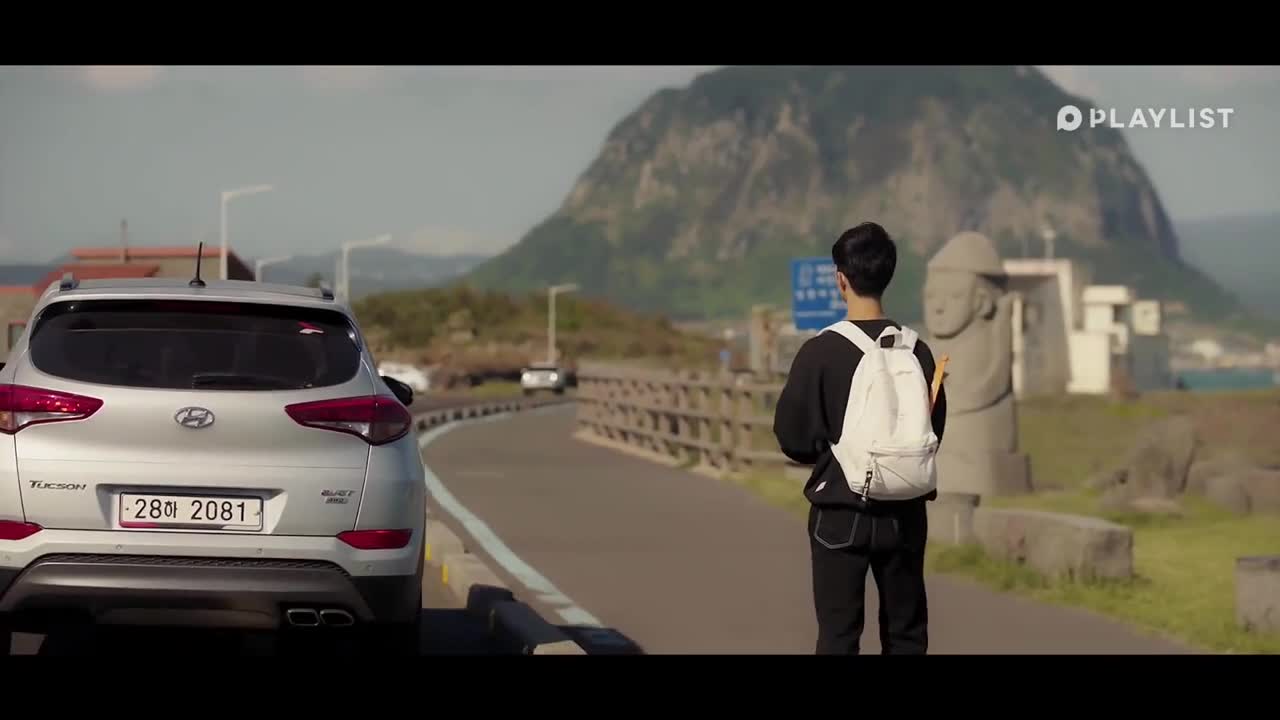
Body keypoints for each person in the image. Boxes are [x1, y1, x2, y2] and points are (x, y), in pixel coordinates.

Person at [773, 222, 947, 655]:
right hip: (905, 511)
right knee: (906, 635)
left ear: (841, 279)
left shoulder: (820, 352)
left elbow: (792, 437)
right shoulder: (917, 351)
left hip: (841, 510)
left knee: (839, 635)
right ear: (888, 275)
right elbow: (934, 429)